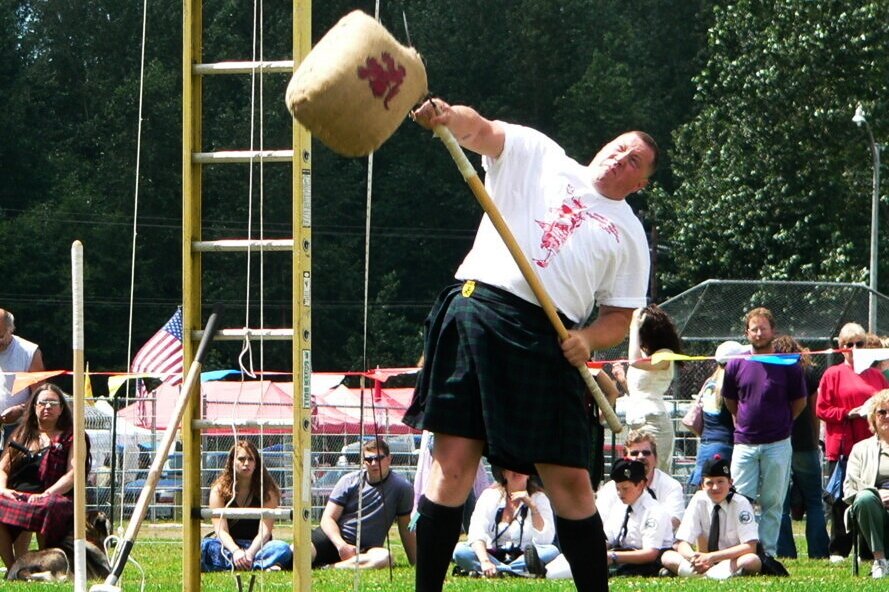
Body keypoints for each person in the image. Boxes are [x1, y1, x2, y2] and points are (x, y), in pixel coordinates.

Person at [405, 97, 658, 592]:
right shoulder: (541, 154)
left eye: (635, 161)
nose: (621, 158)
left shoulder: (630, 235)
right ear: (604, 145)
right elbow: (481, 130)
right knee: (452, 466)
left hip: (550, 339)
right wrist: (447, 118)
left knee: (570, 481)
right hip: (479, 309)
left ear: (640, 182)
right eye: (620, 147)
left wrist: (587, 338)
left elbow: (620, 316)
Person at [721, 307, 807, 556]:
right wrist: (741, 420)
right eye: (754, 329)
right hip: (744, 443)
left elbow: (799, 401)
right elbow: (730, 400)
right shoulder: (736, 363)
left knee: (773, 502)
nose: (759, 333)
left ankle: (767, 553)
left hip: (778, 443)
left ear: (773, 331)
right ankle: (740, 550)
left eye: (763, 328)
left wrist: (783, 422)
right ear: (747, 333)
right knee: (739, 500)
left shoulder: (787, 364)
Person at [816, 322, 889, 561]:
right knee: (840, 498)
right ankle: (839, 549)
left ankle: (867, 548)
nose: (855, 348)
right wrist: (847, 413)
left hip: (874, 447)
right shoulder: (832, 374)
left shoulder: (877, 376)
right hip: (843, 447)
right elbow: (822, 409)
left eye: (860, 343)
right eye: (850, 344)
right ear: (841, 347)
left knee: (870, 496)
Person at [0, 384, 88, 568]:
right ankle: (12, 568)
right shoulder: (22, 434)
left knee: (48, 505)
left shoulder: (73, 437)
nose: (47, 407)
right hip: (18, 496)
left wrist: (47, 493)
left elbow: (74, 474)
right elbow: (3, 469)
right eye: (43, 402)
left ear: (61, 408)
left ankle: (48, 564)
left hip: (56, 496)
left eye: (53, 403)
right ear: (34, 406)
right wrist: (3, 490)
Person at [311, 438, 415, 569]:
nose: (374, 463)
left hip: (367, 549)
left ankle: (330, 567)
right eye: (369, 459)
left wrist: (416, 563)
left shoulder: (403, 488)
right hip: (334, 540)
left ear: (389, 459)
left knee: (385, 558)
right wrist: (341, 545)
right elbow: (327, 518)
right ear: (363, 461)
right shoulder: (348, 481)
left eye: (379, 458)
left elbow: (405, 527)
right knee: (301, 550)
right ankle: (279, 565)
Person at [773, 336, 829, 559]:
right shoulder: (809, 373)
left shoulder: (773, 372)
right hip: (805, 443)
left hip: (779, 441)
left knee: (781, 503)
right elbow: (815, 411)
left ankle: (785, 552)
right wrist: (815, 441)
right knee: (814, 500)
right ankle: (818, 552)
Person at [661, 455, 761, 579]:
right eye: (709, 483)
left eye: (720, 481)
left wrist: (712, 557)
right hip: (702, 561)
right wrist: (694, 558)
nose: (715, 487)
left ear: (730, 483)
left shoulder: (741, 503)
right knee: (667, 556)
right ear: (702, 485)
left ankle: (698, 575)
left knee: (751, 561)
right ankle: (718, 576)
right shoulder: (698, 500)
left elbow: (750, 547)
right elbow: (682, 542)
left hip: (729, 560)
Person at [200, 440, 292, 572]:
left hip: (258, 548)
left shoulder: (268, 491)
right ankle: (257, 565)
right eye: (241, 459)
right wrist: (236, 551)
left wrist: (249, 554)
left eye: (251, 459)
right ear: (232, 462)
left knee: (282, 549)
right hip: (228, 547)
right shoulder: (218, 491)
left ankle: (236, 565)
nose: (246, 463)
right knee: (205, 547)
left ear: (256, 464)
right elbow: (221, 530)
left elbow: (265, 532)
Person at [452, 467, 558, 578]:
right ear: (503, 473)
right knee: (460, 551)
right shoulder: (490, 496)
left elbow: (545, 540)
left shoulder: (540, 498)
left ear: (529, 475)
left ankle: (499, 571)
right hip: (492, 555)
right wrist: (485, 561)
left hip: (525, 556)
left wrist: (532, 507)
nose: (517, 471)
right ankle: (519, 571)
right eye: (510, 467)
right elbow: (476, 531)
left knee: (551, 551)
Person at [624, 304, 683, 473]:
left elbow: (633, 361)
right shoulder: (645, 354)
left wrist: (634, 326)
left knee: (654, 478)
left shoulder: (665, 354)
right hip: (635, 422)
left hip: (654, 423)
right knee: (635, 478)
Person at [687, 340, 747, 490]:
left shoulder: (710, 382)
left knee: (703, 492)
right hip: (725, 446)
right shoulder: (733, 385)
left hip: (705, 445)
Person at [843, 389, 889, 579]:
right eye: (882, 412)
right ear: (873, 418)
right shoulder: (860, 449)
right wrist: (876, 493)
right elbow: (849, 487)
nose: (887, 416)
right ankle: (880, 563)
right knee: (864, 498)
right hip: (873, 505)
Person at [597, 430, 685, 530]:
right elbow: (600, 522)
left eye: (646, 453)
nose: (641, 457)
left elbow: (674, 520)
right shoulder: (610, 489)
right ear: (625, 458)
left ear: (656, 459)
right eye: (634, 453)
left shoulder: (671, 486)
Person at [600, 459, 673, 577]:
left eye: (625, 488)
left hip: (647, 561)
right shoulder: (619, 507)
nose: (620, 494)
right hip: (621, 556)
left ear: (640, 485)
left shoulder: (654, 511)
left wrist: (613, 557)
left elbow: (650, 554)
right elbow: (609, 537)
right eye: (617, 488)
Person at [0, 309, 45, 448]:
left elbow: (40, 395)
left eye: (0, 336)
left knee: (9, 468)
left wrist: (21, 409)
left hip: (17, 427)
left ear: (11, 329)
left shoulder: (29, 352)